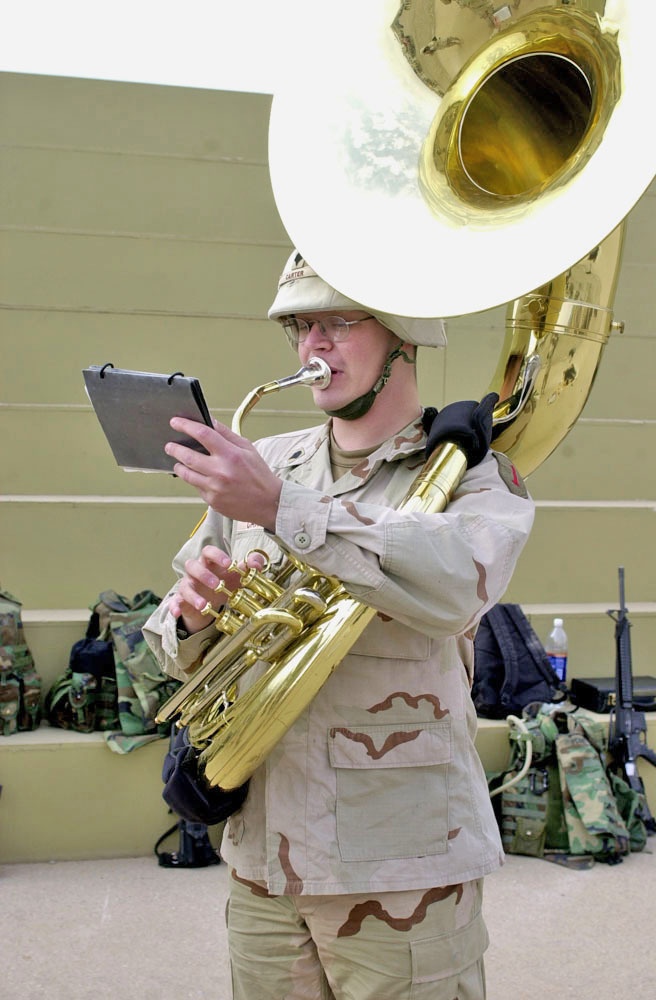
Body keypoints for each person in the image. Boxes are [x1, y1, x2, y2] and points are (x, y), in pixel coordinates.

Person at [143, 250, 535, 1000]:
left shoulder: (474, 474)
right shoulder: (265, 463)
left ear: (402, 333)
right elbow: (170, 644)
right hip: (265, 862)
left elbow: (455, 587)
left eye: (336, 323)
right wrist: (190, 617)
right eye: (299, 326)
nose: (311, 347)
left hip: (404, 870)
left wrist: (283, 512)